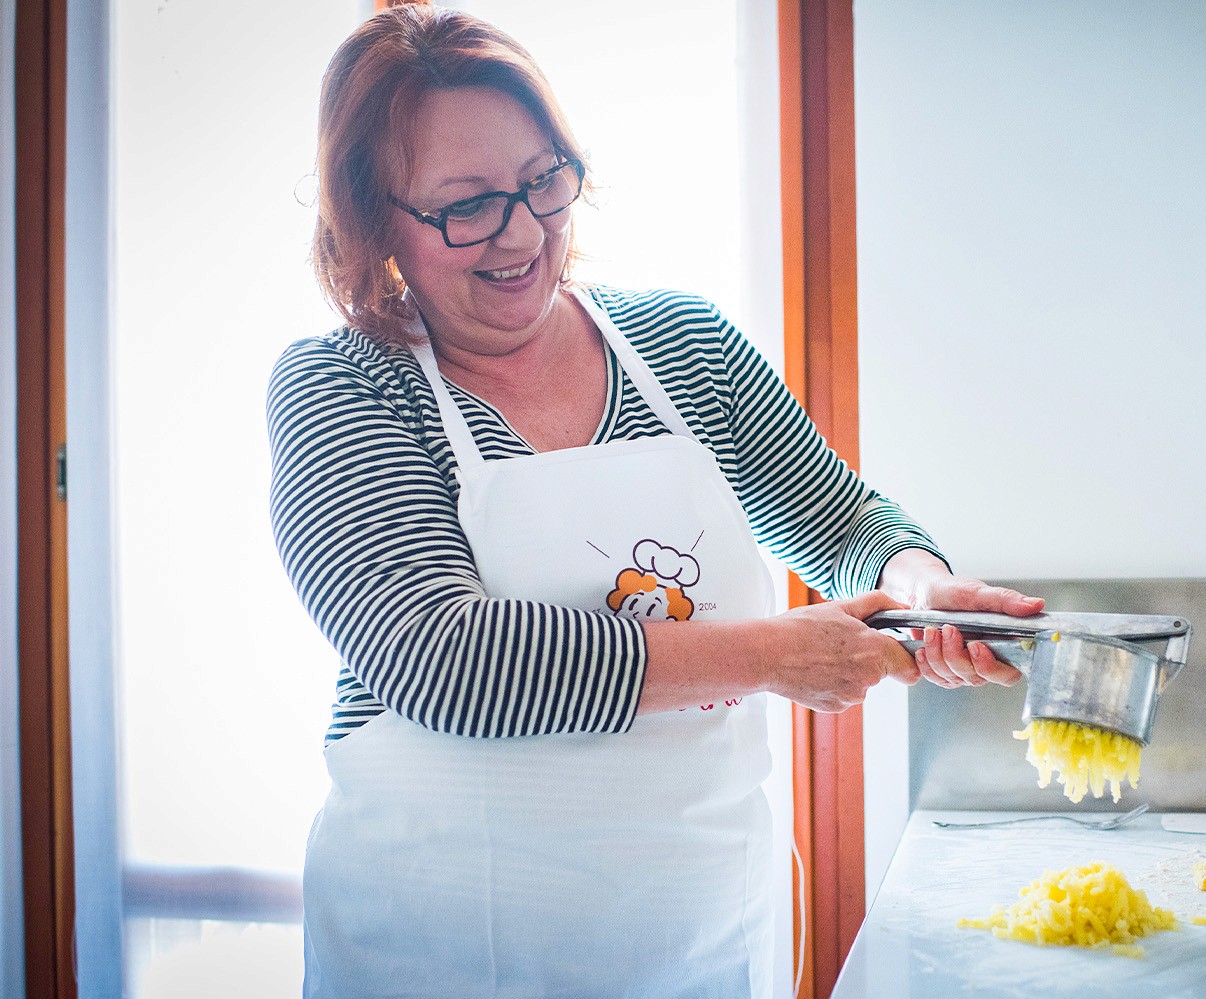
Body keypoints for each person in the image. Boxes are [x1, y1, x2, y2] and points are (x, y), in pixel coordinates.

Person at [268, 6, 1042, 998]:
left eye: (544, 181)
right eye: (467, 206)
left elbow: (840, 524)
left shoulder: (684, 345)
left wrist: (921, 587)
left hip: (698, 936)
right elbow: (441, 660)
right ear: (377, 221)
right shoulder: (346, 387)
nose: (523, 233)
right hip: (439, 949)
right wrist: (773, 654)